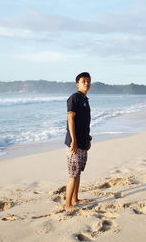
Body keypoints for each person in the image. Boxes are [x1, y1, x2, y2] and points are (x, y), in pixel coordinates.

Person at [65, 72, 92, 211]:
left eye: (88, 81)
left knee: (78, 173)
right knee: (73, 175)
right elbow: (71, 120)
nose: (86, 83)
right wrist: (73, 141)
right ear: (77, 84)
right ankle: (67, 205)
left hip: (83, 142)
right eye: (83, 81)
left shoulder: (85, 99)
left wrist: (88, 139)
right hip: (74, 143)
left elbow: (85, 123)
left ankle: (75, 199)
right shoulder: (74, 98)